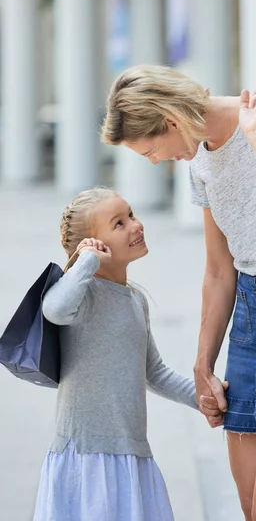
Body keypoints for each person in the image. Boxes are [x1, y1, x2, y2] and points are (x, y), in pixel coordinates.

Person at [102, 66, 256, 521]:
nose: (156, 161)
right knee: (252, 508)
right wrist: (203, 363)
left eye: (151, 149)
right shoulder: (199, 159)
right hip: (249, 320)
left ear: (170, 119)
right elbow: (220, 271)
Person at [33, 186, 222, 521]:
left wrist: (203, 398)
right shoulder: (83, 295)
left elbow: (155, 372)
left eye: (131, 214)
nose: (135, 225)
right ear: (94, 245)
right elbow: (54, 309)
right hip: (87, 456)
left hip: (131, 452)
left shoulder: (135, 300)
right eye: (118, 224)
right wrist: (87, 261)